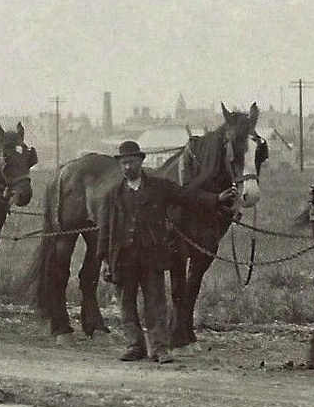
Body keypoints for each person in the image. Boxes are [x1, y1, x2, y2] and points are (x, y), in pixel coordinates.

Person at [97, 140, 240, 364]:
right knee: (127, 304)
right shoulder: (112, 195)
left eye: (131, 162)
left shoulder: (159, 187)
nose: (127, 167)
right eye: (123, 163)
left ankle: (159, 349)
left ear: (141, 162)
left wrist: (216, 199)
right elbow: (105, 230)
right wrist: (105, 261)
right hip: (123, 258)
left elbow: (188, 196)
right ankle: (135, 346)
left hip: (151, 256)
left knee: (156, 303)